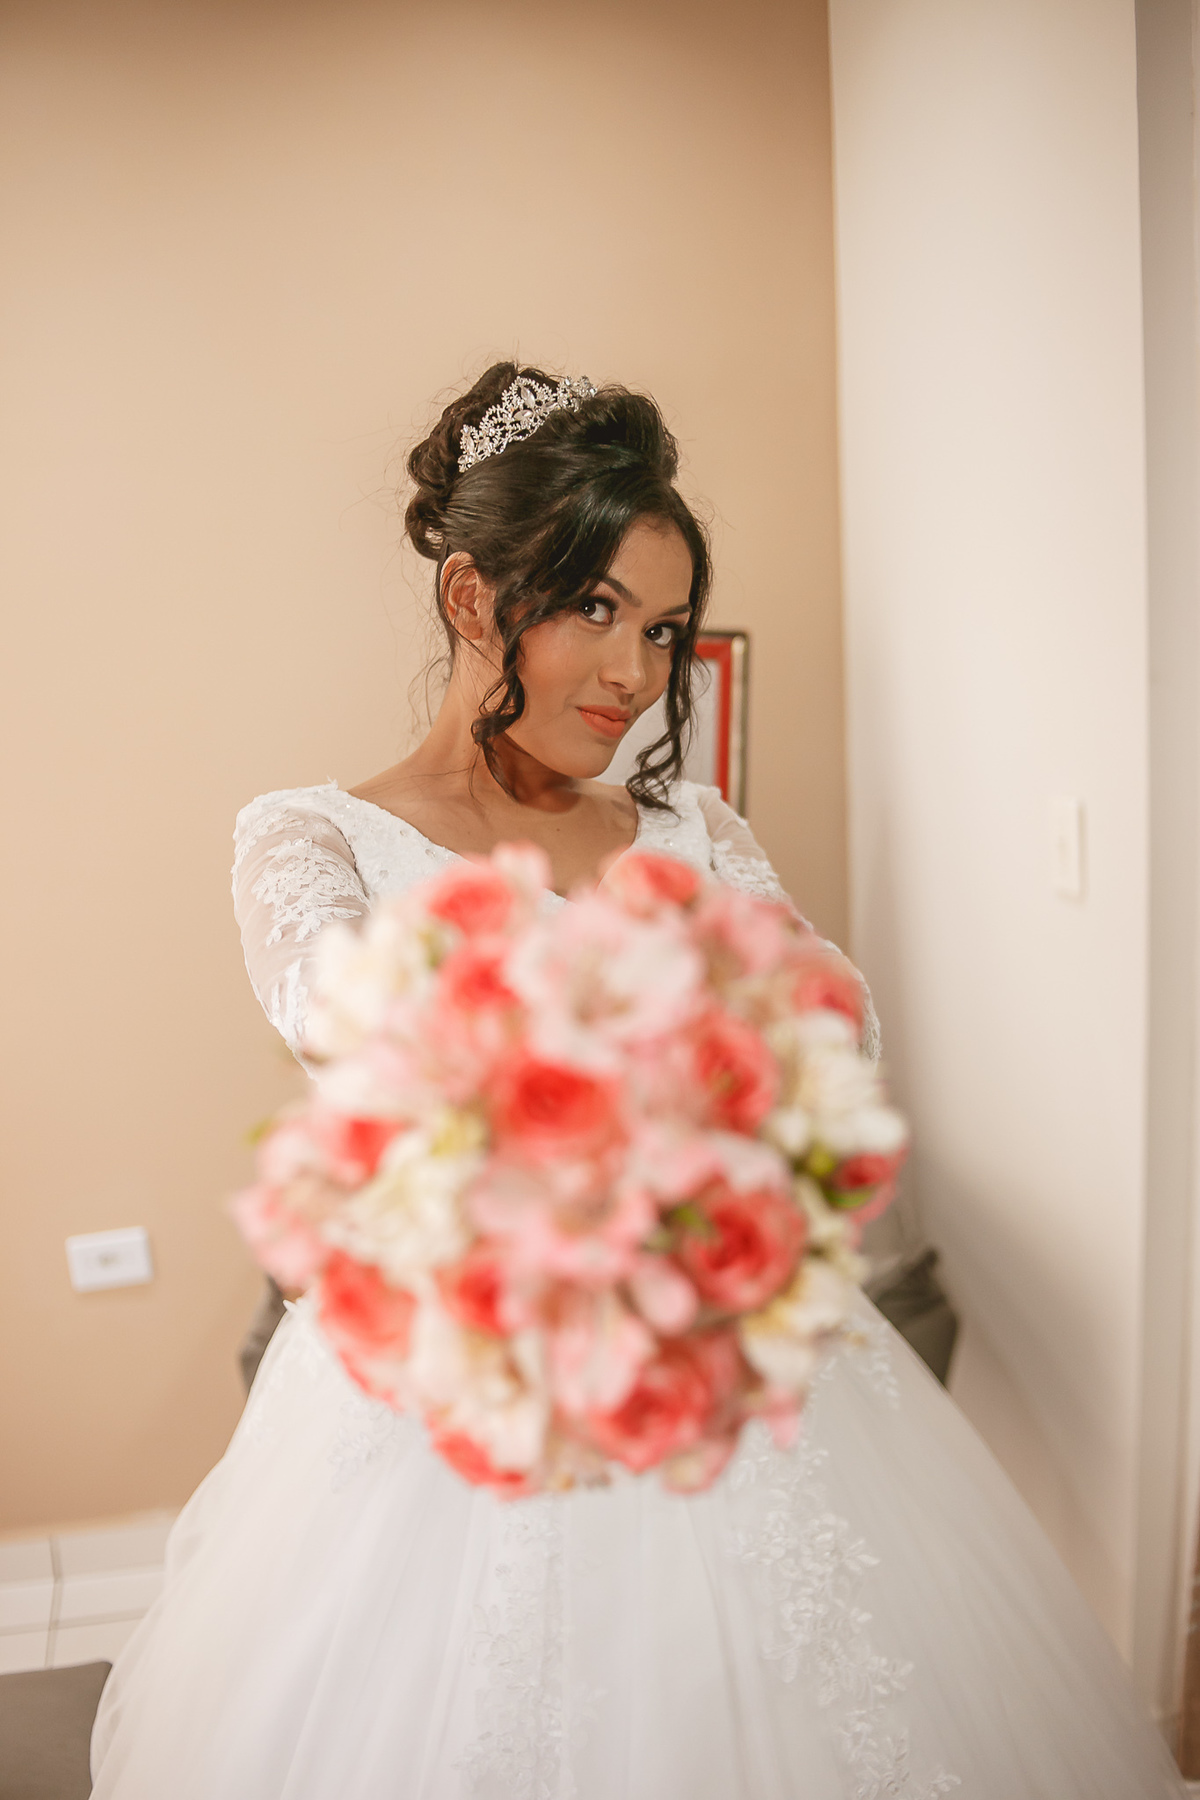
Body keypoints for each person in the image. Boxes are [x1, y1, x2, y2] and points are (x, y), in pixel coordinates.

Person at [90, 364, 1187, 1798]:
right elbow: (361, 1037)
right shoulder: (313, 839)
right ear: (473, 596)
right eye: (596, 610)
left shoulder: (696, 827)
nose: (636, 674)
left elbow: (838, 1030)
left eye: (662, 629)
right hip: (453, 1398)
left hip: (728, 1369)